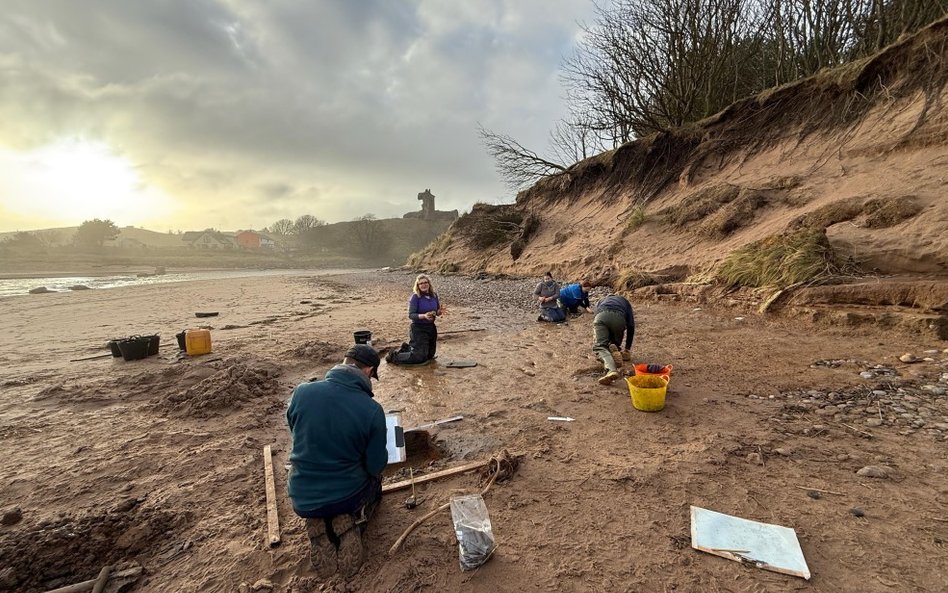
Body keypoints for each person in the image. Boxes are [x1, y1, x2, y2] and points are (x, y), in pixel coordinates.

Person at [286, 344, 387, 579]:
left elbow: (296, 433)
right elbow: (375, 466)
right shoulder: (372, 410)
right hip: (347, 495)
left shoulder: (302, 392)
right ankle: (354, 520)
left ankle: (319, 523)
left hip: (302, 497)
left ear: (344, 362)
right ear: (369, 371)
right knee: (376, 482)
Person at [387, 274, 442, 365]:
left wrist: (439, 312)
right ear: (418, 286)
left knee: (430, 355)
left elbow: (436, 311)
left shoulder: (434, 295)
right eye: (421, 283)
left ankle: (407, 348)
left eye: (425, 282)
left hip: (431, 327)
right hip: (418, 328)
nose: (423, 285)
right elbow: (411, 315)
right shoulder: (415, 297)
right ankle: (393, 355)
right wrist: (424, 316)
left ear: (429, 284)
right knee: (419, 358)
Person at [593, 294, 635, 385]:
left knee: (600, 346)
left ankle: (611, 369)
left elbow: (596, 315)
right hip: (619, 318)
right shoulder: (625, 301)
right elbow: (631, 326)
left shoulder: (601, 300)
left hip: (601, 316)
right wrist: (627, 348)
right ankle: (615, 349)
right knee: (615, 343)